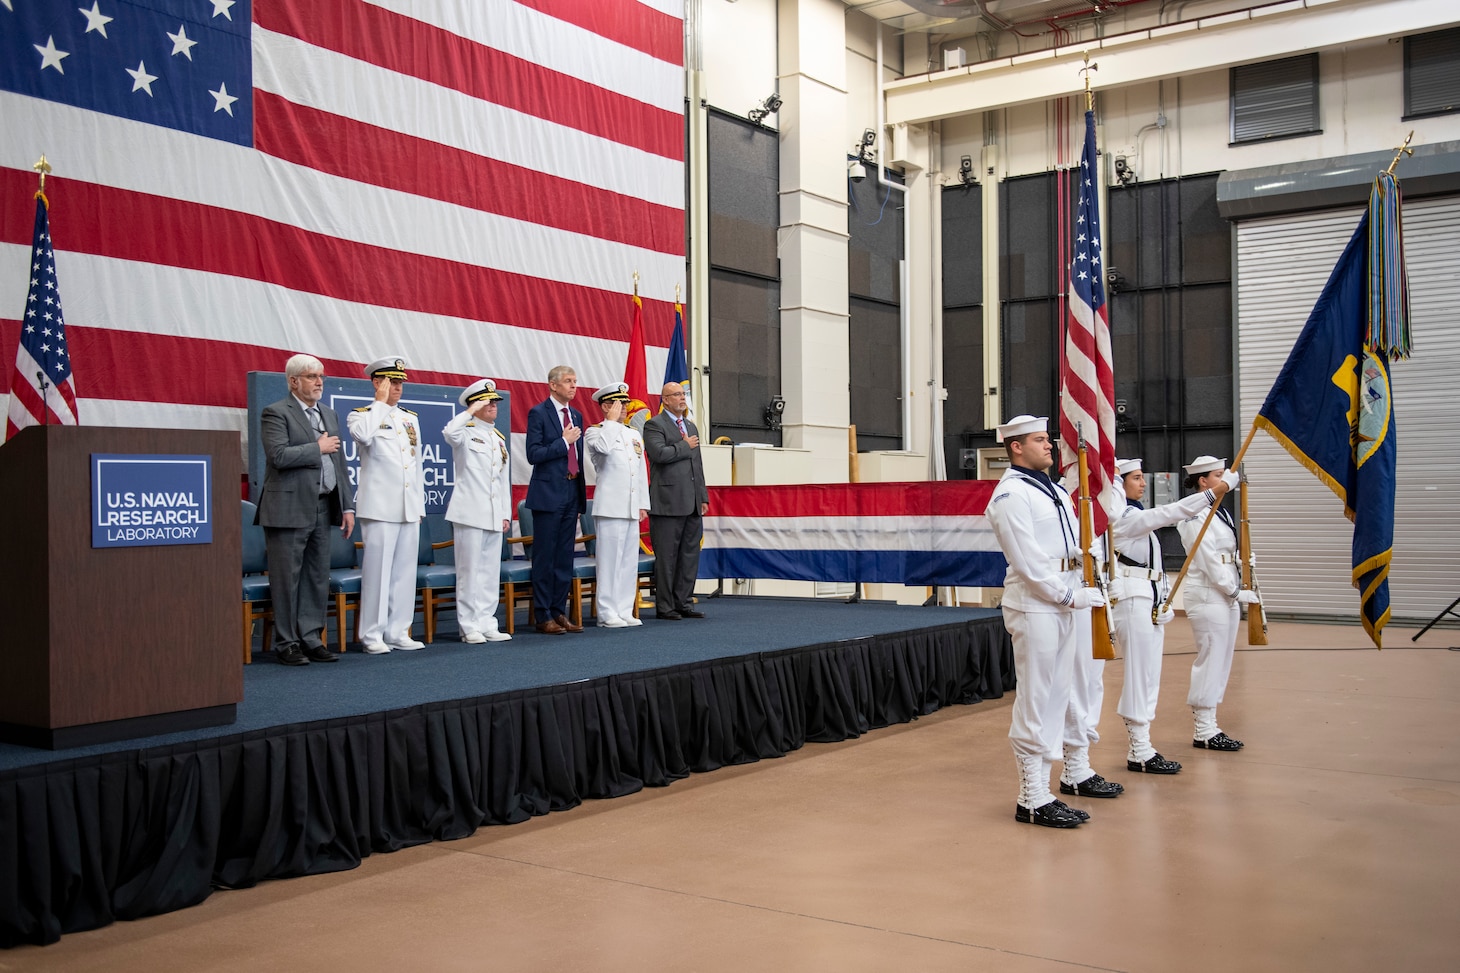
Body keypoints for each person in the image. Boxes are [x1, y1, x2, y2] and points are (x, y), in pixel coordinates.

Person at [985, 415, 1103, 828]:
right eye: (1040, 440)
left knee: (1058, 694)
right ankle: (1030, 797)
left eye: (1048, 439)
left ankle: (1046, 789)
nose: (1050, 445)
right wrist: (1069, 595)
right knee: (1036, 697)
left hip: (1063, 601)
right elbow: (1030, 563)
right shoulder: (1011, 495)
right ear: (1016, 446)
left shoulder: (1054, 491)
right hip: (1037, 604)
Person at [1109, 457, 1238, 773]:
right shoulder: (1124, 518)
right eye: (1136, 478)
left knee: (1150, 675)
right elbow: (1170, 512)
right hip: (1131, 600)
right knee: (1140, 676)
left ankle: (1143, 746)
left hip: (1147, 601)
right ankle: (1139, 749)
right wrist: (1216, 490)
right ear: (1119, 484)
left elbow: (1151, 568)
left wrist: (1162, 602)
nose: (1142, 483)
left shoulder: (1137, 517)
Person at [255, 354, 356, 666]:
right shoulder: (275, 413)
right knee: (287, 579)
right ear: (293, 381)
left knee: (316, 576)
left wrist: (348, 506)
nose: (319, 382)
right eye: (312, 376)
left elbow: (339, 463)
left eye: (321, 376)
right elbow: (279, 456)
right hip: (287, 508)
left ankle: (312, 638)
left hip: (323, 506)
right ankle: (287, 643)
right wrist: (318, 448)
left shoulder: (328, 414)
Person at [1177, 455, 1259, 751]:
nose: (1226, 479)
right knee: (1210, 660)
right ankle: (1204, 729)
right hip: (1209, 593)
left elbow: (1223, 553)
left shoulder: (1218, 512)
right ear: (1203, 481)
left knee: (1222, 660)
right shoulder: (1194, 514)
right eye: (1219, 474)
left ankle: (1211, 724)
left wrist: (1241, 562)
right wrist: (1233, 590)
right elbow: (1207, 559)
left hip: (1225, 590)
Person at [347, 357, 426, 654]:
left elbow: (415, 464)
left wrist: (417, 505)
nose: (398, 387)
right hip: (379, 507)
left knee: (405, 572)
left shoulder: (409, 418)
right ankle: (372, 634)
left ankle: (398, 629)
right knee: (378, 574)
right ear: (376, 383)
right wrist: (379, 403)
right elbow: (363, 436)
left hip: (407, 506)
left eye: (400, 382)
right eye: (391, 382)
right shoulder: (362, 416)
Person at [443, 378, 513, 643]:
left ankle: (487, 621)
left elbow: (501, 479)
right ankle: (469, 625)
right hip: (469, 512)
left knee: (488, 572)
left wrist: (505, 512)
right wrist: (470, 411)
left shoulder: (497, 438)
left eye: (495, 401)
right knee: (469, 571)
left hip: (494, 513)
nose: (494, 405)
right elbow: (449, 433)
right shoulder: (465, 431)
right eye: (488, 401)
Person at [524, 365, 587, 634]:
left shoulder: (576, 415)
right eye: (568, 381)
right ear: (553, 385)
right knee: (545, 557)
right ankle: (543, 614)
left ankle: (559, 611)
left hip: (572, 491)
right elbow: (533, 454)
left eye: (575, 381)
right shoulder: (539, 413)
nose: (573, 386)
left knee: (564, 557)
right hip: (548, 494)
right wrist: (563, 442)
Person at [585, 383, 650, 628]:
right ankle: (607, 612)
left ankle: (624, 609)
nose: (625, 407)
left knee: (627, 561)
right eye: (618, 403)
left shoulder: (633, 434)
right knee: (609, 562)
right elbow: (602, 448)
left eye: (625, 403)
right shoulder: (596, 432)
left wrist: (643, 503)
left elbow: (640, 471)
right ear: (605, 406)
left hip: (631, 506)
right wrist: (611, 422)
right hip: (610, 506)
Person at [643, 381, 708, 620]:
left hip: (691, 502)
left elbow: (697, 465)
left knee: (689, 556)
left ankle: (684, 602)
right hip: (667, 501)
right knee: (667, 557)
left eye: (683, 394)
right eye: (677, 394)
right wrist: (683, 445)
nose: (682, 398)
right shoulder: (654, 425)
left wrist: (702, 496)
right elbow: (658, 455)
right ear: (665, 399)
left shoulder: (690, 426)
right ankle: (666, 606)